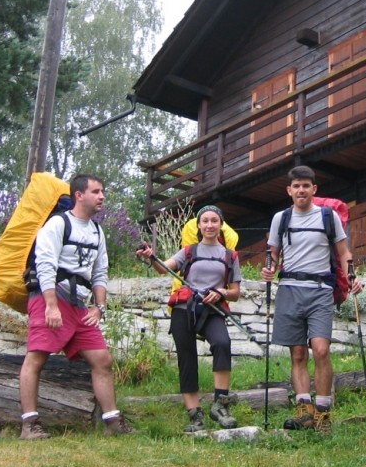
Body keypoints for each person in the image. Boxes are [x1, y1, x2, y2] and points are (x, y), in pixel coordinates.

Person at [18, 173, 132, 439]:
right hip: (51, 299)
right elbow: (45, 264)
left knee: (102, 360)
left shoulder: (97, 231)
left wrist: (99, 307)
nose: (102, 196)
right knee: (36, 357)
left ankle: (112, 423)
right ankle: (29, 425)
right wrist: (50, 306)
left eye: (102, 191)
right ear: (79, 195)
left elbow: (100, 272)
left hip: (80, 305)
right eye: (96, 192)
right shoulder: (58, 224)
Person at [261, 165, 360, 435]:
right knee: (298, 353)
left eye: (306, 185)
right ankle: (304, 410)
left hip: (320, 289)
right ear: (289, 191)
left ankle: (324, 412)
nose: (301, 190)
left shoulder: (328, 217)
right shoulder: (280, 218)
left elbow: (343, 251)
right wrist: (269, 267)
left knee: (321, 349)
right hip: (290, 288)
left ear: (314, 189)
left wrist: (351, 276)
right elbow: (272, 252)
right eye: (296, 186)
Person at [136, 205, 243, 433]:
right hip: (184, 309)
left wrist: (222, 292)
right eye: (205, 221)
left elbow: (235, 291)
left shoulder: (229, 255)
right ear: (199, 225)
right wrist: (151, 257)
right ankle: (195, 415)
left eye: (214, 221)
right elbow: (163, 269)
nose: (210, 225)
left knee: (222, 344)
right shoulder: (189, 252)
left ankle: (220, 405)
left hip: (212, 310)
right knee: (187, 359)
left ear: (220, 224)